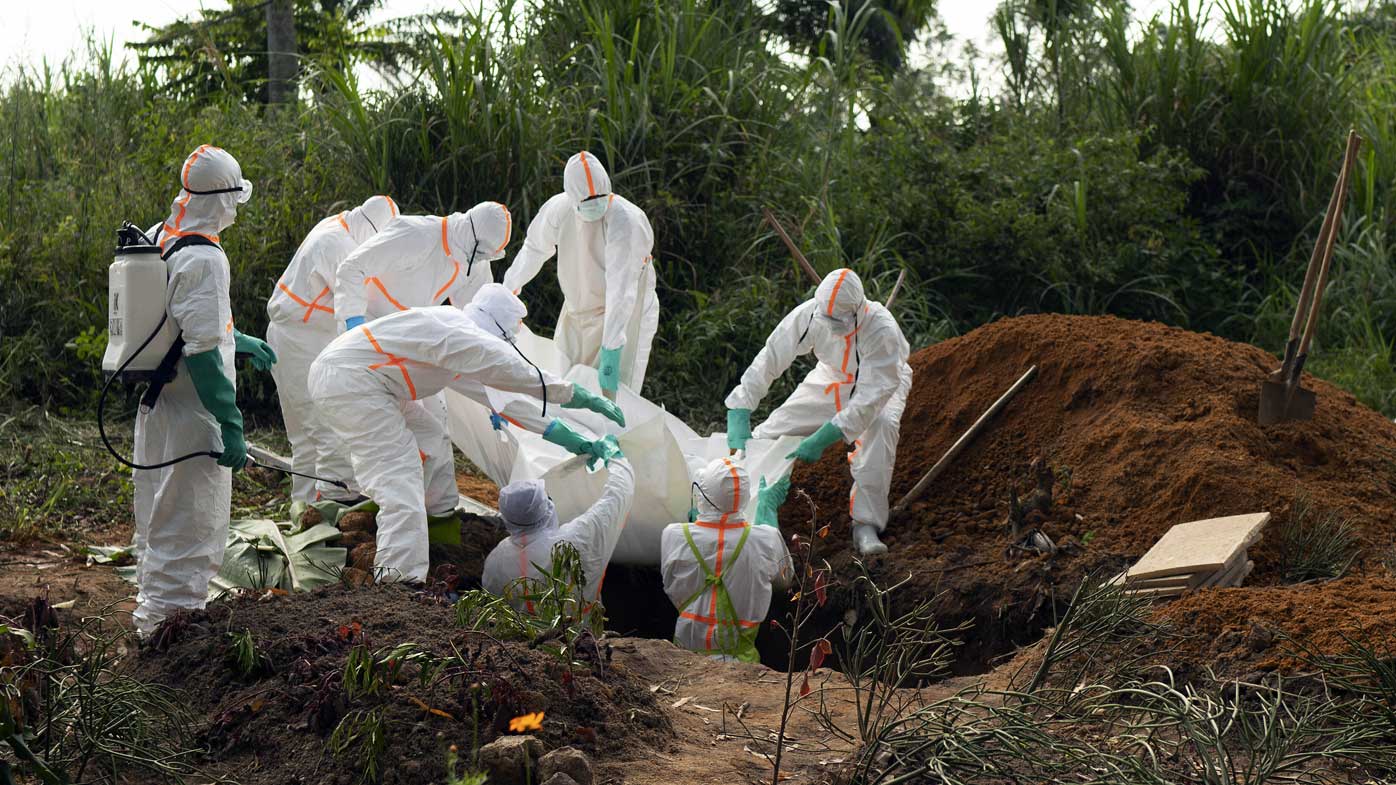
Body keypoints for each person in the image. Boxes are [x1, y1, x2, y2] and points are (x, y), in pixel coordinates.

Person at [307, 285, 625, 583]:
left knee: (430, 434)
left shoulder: (455, 341)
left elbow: (506, 401)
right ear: (496, 330)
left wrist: (571, 438)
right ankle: (399, 582)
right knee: (399, 480)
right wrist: (577, 395)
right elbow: (516, 372)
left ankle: (434, 522)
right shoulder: (458, 334)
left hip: (365, 383)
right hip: (352, 384)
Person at [133, 144, 275, 636]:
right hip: (195, 417)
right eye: (234, 200)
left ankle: (150, 623)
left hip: (157, 405)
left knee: (158, 518)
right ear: (222, 200)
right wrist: (230, 425)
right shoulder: (206, 258)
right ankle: (170, 642)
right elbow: (201, 354)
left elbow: (177, 324)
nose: (235, 209)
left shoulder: (160, 236)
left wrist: (239, 340)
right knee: (190, 528)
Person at [724, 268, 912, 556]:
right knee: (775, 429)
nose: (831, 326)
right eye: (827, 319)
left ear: (857, 311)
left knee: (881, 427)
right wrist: (740, 406)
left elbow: (868, 400)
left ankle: (866, 524)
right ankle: (734, 492)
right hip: (832, 376)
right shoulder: (812, 313)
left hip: (883, 383)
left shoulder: (881, 331)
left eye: (837, 321)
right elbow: (772, 355)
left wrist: (826, 436)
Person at [266, 195, 399, 506]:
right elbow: (357, 303)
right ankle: (335, 508)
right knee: (326, 426)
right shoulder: (337, 245)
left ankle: (305, 509)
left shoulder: (338, 224)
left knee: (306, 437)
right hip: (300, 341)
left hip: (297, 335)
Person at [502, 151, 657, 399]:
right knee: (565, 383)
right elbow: (534, 249)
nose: (595, 203)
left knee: (616, 394)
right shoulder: (559, 210)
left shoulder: (625, 220)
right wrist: (508, 289)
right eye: (587, 200)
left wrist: (612, 349)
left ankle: (612, 436)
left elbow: (621, 289)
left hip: (623, 316)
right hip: (577, 309)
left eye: (600, 197)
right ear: (572, 197)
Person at [659, 458, 791, 662]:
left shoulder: (674, 535)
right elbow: (785, 581)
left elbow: (670, 582)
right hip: (742, 667)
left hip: (684, 662)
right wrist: (768, 516)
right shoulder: (765, 540)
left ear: (702, 494)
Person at [481, 444, 634, 611]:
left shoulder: (496, 559)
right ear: (546, 509)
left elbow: (494, 607)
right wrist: (615, 457)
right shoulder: (575, 540)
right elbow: (617, 497)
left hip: (517, 637)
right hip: (580, 634)